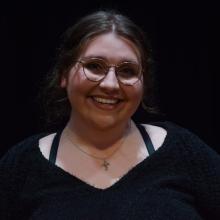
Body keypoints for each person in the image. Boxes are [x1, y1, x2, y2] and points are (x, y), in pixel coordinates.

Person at [0, 9, 220, 220]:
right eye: (95, 66)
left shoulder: (184, 152)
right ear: (63, 74)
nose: (111, 84)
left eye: (127, 71)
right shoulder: (20, 166)